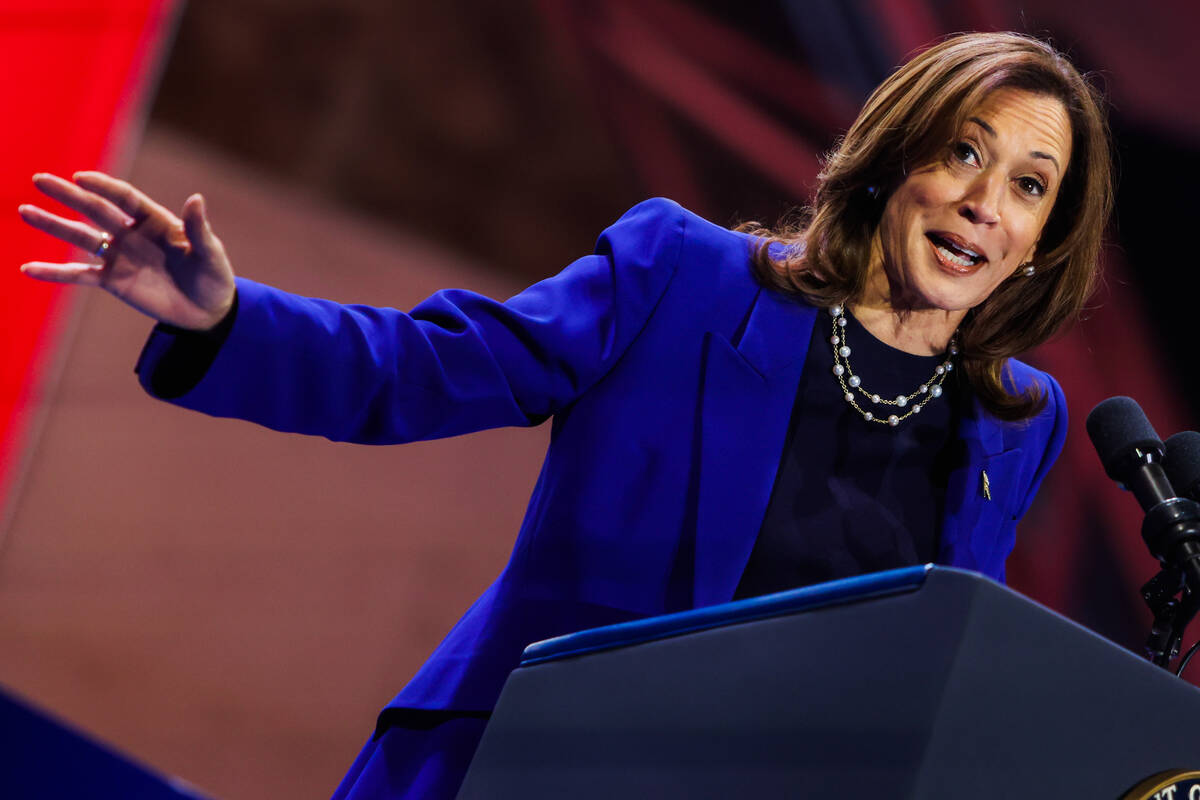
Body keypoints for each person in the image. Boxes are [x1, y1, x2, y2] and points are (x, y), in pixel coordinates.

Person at [18, 31, 1112, 800]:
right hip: (526, 770)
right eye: (965, 151)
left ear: (1045, 237)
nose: (985, 199)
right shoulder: (687, 277)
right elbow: (424, 368)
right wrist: (225, 318)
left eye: (1029, 184)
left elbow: (945, 674)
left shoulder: (1012, 423)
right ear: (895, 161)